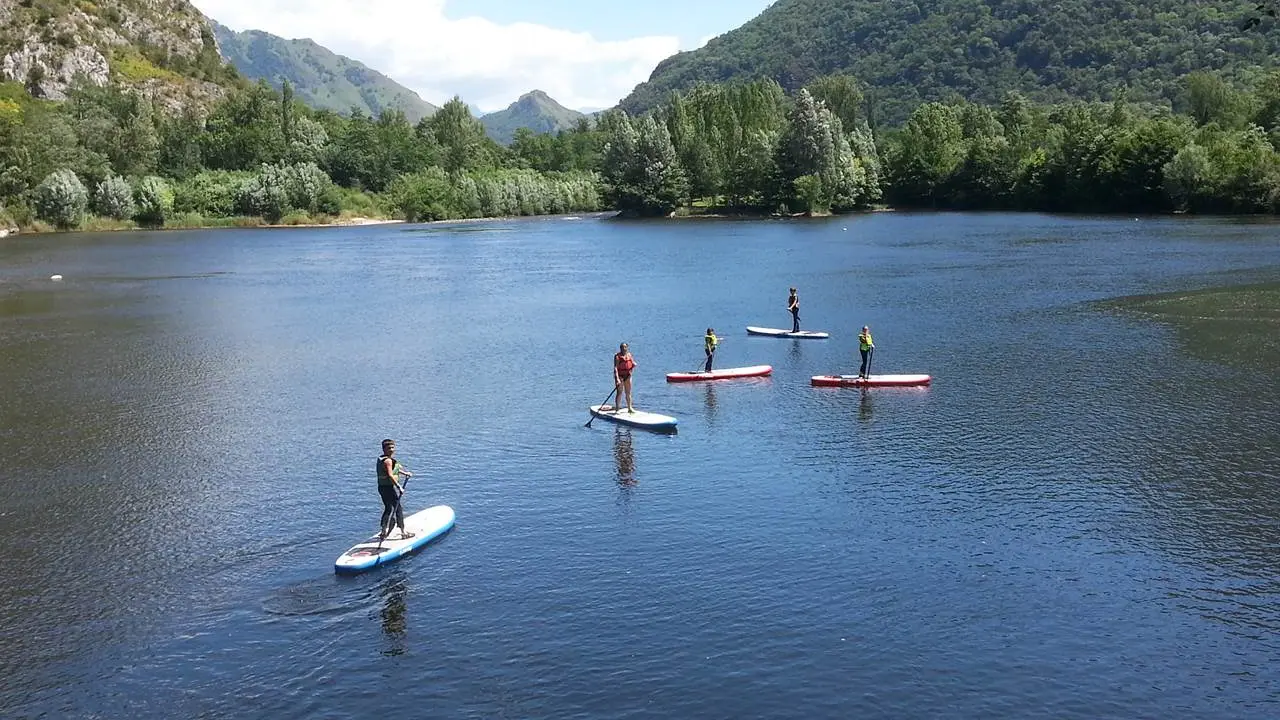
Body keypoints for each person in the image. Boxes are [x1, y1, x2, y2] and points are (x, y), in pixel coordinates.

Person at [377, 439, 414, 540]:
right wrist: (399, 487)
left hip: (381, 488)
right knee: (398, 508)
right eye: (389, 448)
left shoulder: (382, 459)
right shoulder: (388, 461)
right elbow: (390, 475)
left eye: (393, 447)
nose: (391, 450)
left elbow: (394, 470)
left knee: (388, 508)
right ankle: (403, 532)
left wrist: (405, 473)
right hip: (388, 488)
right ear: (384, 449)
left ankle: (383, 530)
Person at [613, 342, 636, 413]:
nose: (624, 349)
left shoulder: (629, 355)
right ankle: (617, 409)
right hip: (620, 377)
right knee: (619, 392)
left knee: (628, 392)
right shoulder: (617, 356)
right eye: (622, 347)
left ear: (627, 348)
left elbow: (632, 363)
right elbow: (615, 368)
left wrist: (633, 365)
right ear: (620, 348)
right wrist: (617, 379)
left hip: (628, 376)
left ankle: (630, 408)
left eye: (625, 347)